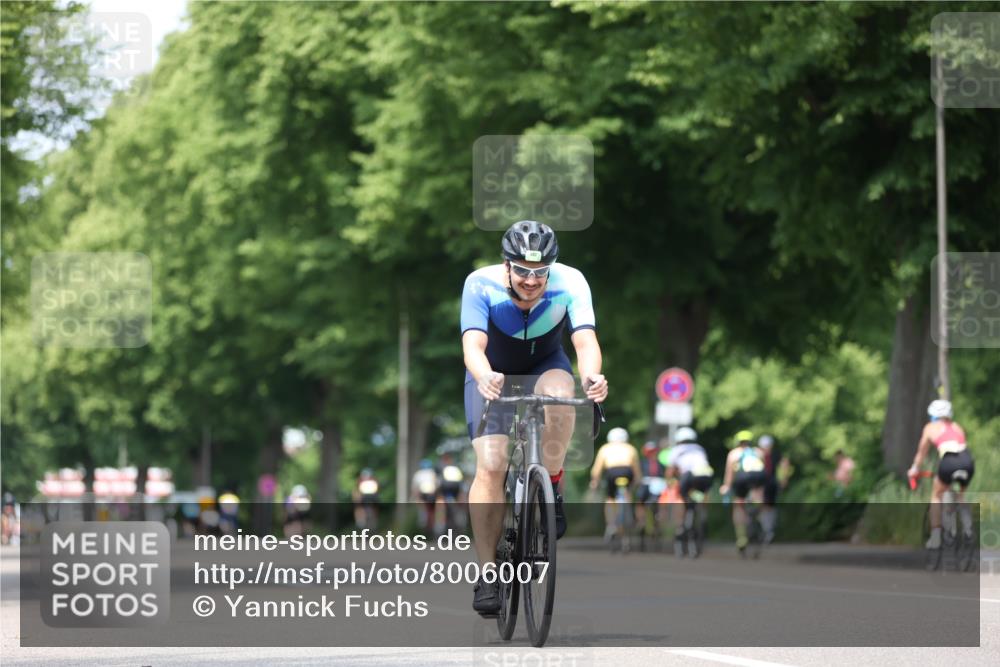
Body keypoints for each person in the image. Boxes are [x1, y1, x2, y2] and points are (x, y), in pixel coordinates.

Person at [462, 220, 608, 617]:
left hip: (546, 363)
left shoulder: (571, 282)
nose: (531, 280)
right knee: (491, 464)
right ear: (506, 265)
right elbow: (473, 345)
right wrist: (483, 375)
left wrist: (592, 376)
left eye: (540, 272)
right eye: (522, 270)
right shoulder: (480, 284)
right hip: (492, 373)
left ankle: (552, 484)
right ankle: (488, 573)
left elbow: (585, 341)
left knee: (562, 393)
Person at [908, 400, 976, 549]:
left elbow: (921, 453)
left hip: (949, 462)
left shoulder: (930, 427)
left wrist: (914, 469)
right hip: (967, 461)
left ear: (932, 414)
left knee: (936, 496)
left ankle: (936, 537)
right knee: (961, 496)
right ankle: (968, 530)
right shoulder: (957, 427)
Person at [589, 427, 642, 542]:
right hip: (627, 472)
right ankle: (627, 507)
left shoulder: (605, 448)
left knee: (610, 499)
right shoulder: (630, 448)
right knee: (627, 493)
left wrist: (595, 481)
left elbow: (596, 470)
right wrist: (637, 481)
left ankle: (611, 525)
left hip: (612, 473)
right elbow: (636, 470)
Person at [664, 427, 714, 546]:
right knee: (702, 493)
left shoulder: (676, 450)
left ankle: (681, 525)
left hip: (689, 476)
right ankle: (703, 513)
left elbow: (670, 471)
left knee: (681, 498)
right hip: (705, 474)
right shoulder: (699, 449)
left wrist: (669, 483)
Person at [719, 430, 767, 554]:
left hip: (742, 478)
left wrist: (726, 487)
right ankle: (758, 519)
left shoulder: (734, 454)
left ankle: (741, 538)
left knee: (738, 505)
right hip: (758, 477)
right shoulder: (759, 452)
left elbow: (729, 475)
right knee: (758, 497)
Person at [634, 441, 667, 539]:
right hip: (651, 485)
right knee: (641, 502)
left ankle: (650, 522)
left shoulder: (658, 463)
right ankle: (643, 522)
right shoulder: (646, 462)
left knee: (643, 502)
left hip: (654, 485)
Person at [411, 460, 439, 535]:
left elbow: (415, 488)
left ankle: (426, 525)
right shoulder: (432, 473)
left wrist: (416, 497)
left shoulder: (418, 474)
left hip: (426, 495)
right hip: (429, 495)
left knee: (425, 510)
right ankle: (429, 525)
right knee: (431, 510)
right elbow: (437, 485)